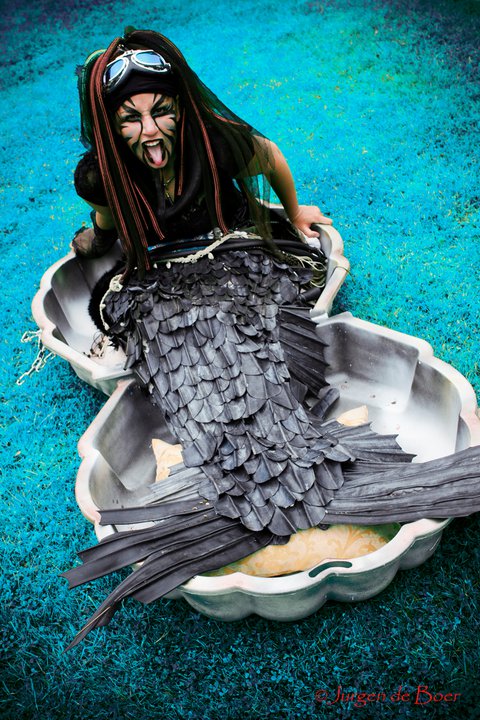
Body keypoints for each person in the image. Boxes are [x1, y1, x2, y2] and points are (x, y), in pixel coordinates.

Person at [63, 28, 480, 648]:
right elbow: (105, 219)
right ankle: (266, 482)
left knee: (242, 332)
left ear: (181, 107)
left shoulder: (216, 141)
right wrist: (98, 239)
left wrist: (295, 207)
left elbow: (271, 156)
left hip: (233, 256)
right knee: (182, 349)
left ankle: (286, 476)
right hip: (161, 280)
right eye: (131, 119)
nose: (149, 130)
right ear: (110, 125)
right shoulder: (102, 172)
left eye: (161, 111)